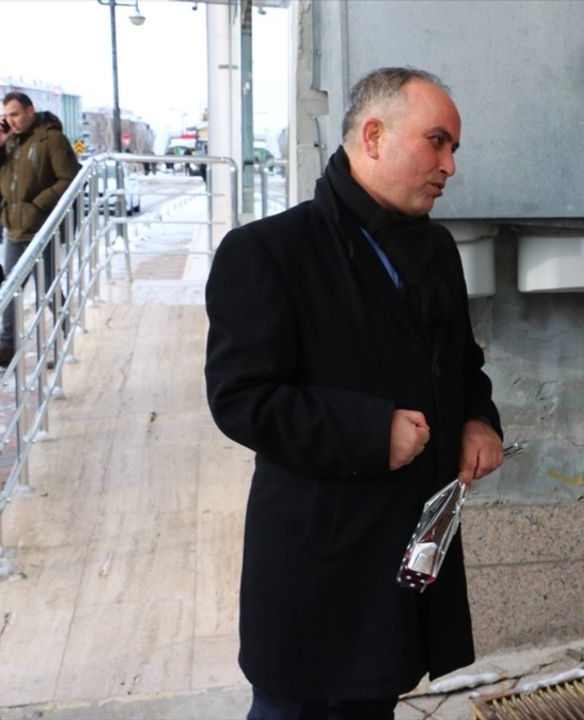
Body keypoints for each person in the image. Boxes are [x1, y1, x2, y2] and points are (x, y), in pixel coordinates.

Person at [204, 67, 504, 720]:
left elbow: (461, 364)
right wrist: (370, 431)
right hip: (315, 555)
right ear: (373, 136)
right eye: (437, 142)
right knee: (296, 707)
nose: (450, 165)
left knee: (373, 704)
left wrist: (479, 420)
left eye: (454, 148)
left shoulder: (435, 249)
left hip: (402, 548)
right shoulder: (268, 251)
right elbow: (240, 398)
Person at [0, 92, 80, 367]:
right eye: (7, 115)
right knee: (10, 290)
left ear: (30, 111)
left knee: (47, 290)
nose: (10, 120)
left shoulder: (51, 139)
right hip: (15, 229)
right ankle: (6, 345)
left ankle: (63, 342)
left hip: (42, 229)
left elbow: (70, 179)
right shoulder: (9, 142)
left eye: (15, 113)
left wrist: (36, 205)